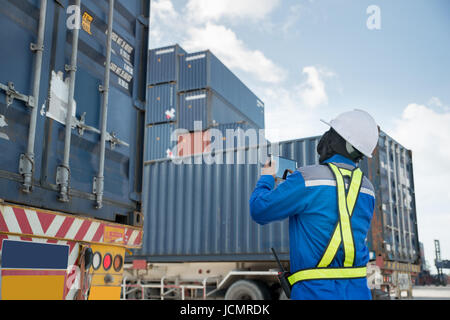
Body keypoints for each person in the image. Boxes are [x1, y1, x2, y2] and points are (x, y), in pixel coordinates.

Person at [250, 109, 379, 300]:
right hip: (359, 293)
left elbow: (259, 210)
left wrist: (266, 178)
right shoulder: (368, 189)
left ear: (336, 141)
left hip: (315, 293)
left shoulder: (307, 178)